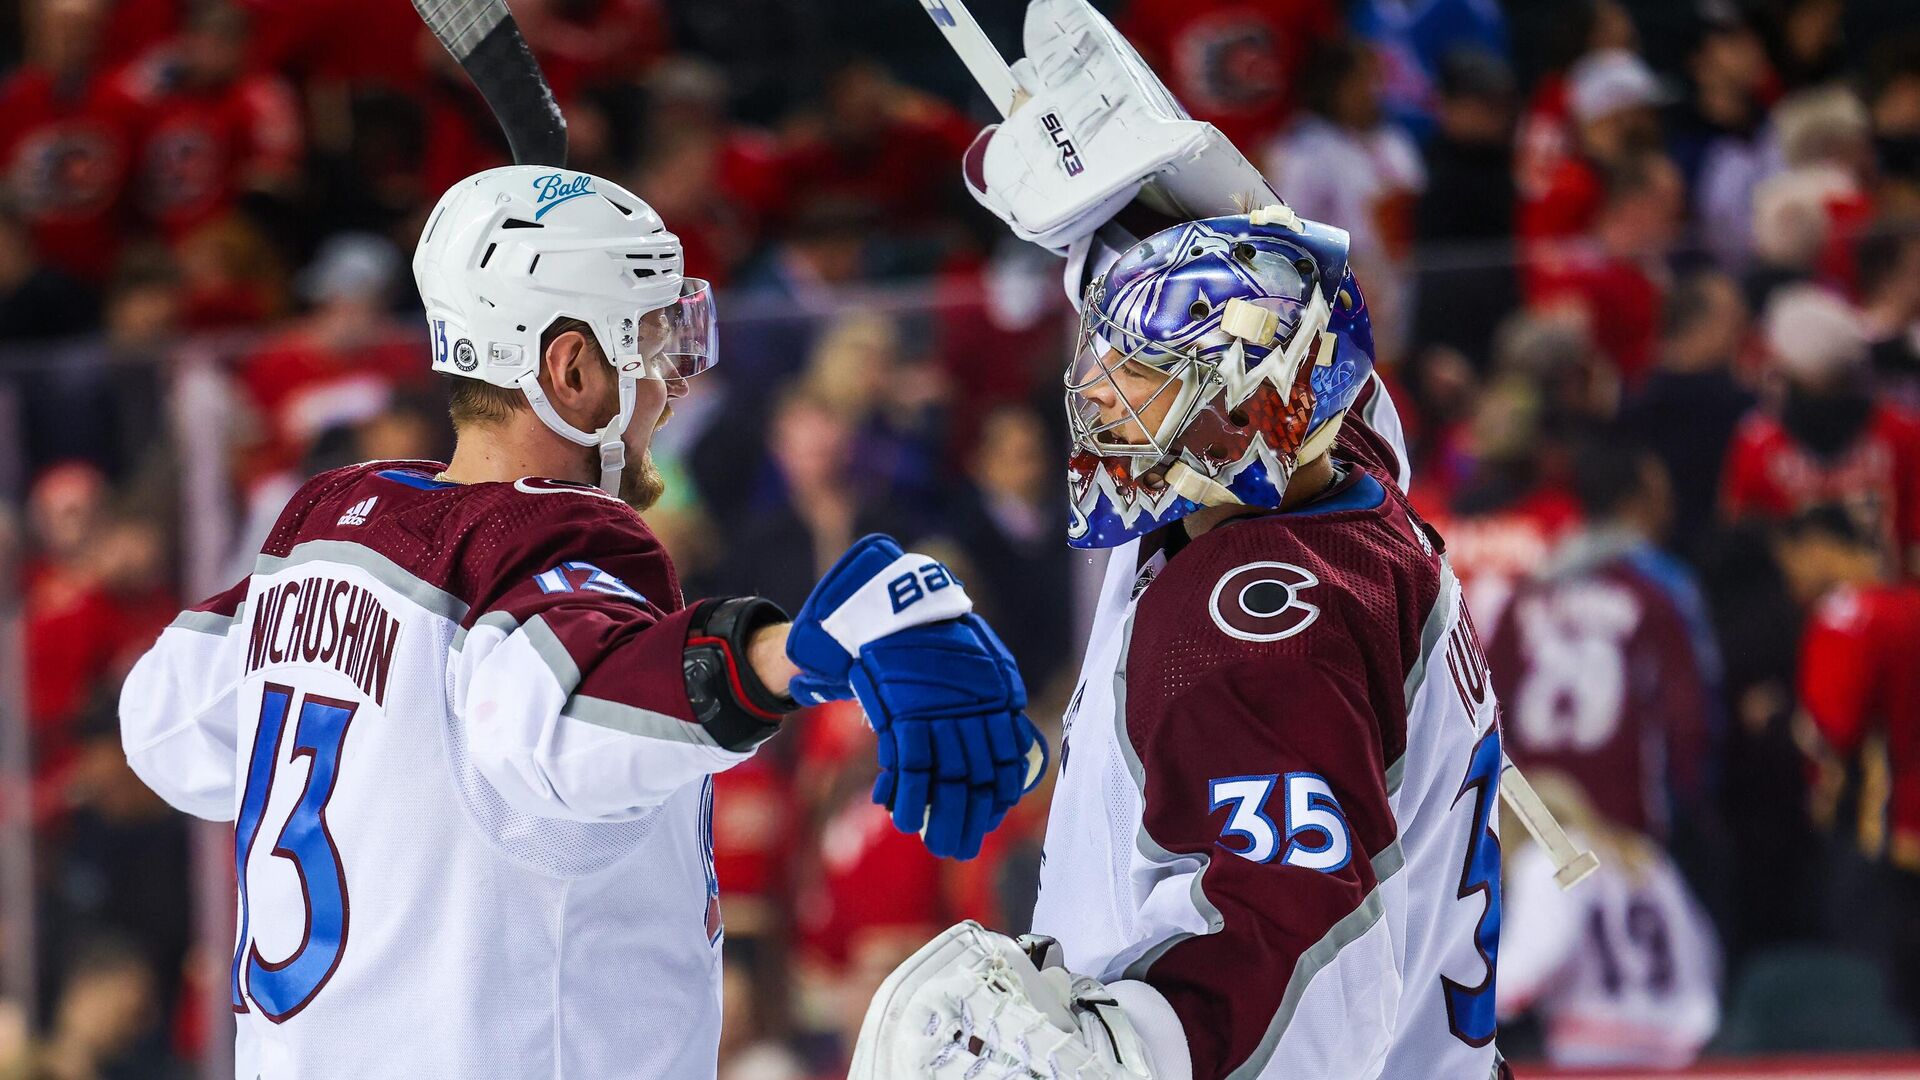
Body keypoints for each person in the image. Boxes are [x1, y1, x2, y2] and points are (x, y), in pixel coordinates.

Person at [117, 165, 1042, 1078]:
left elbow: (161, 722)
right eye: (650, 342)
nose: (671, 386)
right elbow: (574, 707)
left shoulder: (327, 533)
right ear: (570, 370)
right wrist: (786, 654)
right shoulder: (545, 540)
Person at [855, 3, 1543, 1075]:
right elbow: (1285, 308)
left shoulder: (1258, 628)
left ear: (1249, 409)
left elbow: (1304, 950)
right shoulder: (1342, 475)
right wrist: (1134, 180)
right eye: (1106, 359)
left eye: (1145, 374)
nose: (1098, 395)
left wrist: (1118, 1057)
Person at [1486, 442, 1715, 841]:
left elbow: (1488, 717)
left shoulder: (1527, 595)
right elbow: (1690, 716)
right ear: (1636, 501)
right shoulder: (1661, 588)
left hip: (1541, 832)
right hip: (1629, 824)